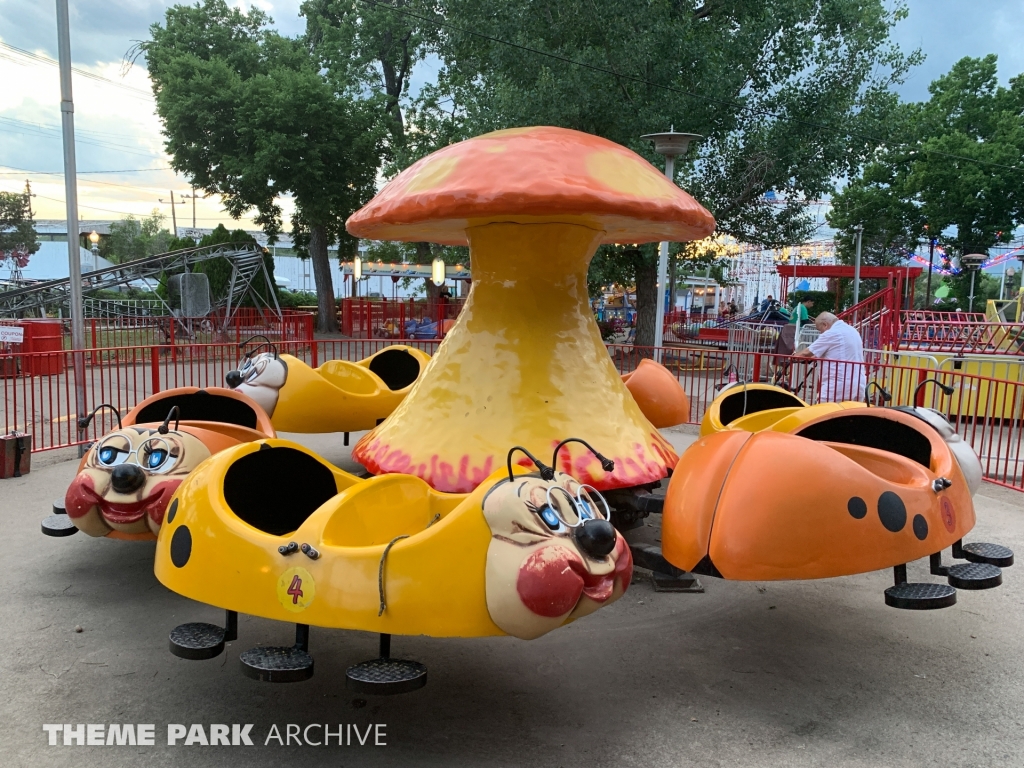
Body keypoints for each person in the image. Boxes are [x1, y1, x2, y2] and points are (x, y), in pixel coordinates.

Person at [794, 312, 866, 402]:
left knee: (824, 412)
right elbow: (836, 352)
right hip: (858, 383)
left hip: (837, 386)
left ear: (825, 325)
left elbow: (806, 353)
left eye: (820, 330)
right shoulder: (852, 330)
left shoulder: (831, 333)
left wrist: (792, 357)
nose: (821, 333)